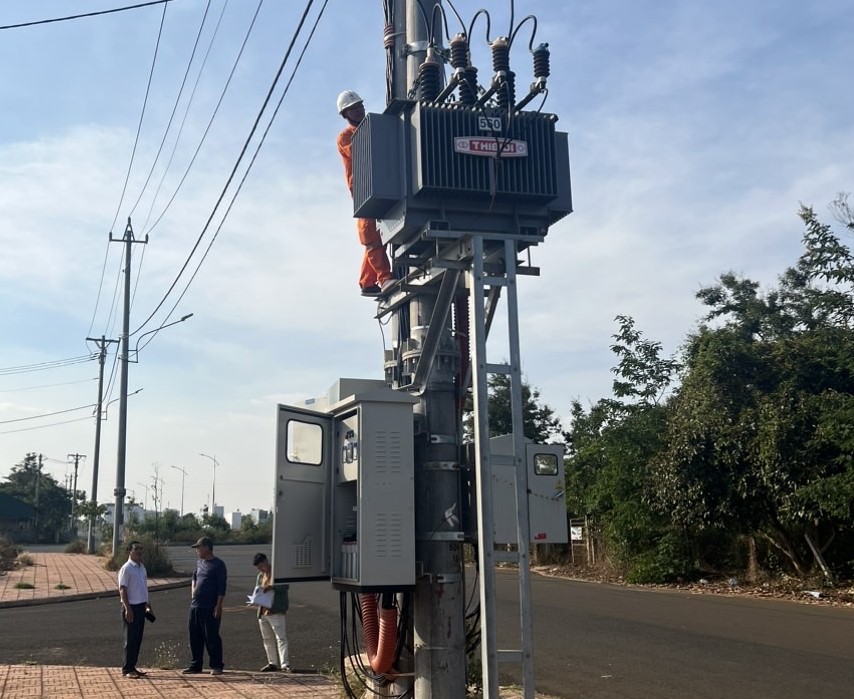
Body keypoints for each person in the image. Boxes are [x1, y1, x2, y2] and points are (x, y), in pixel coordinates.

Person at [336, 89, 394, 297]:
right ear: (346, 114)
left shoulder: (371, 128)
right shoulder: (345, 136)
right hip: (363, 190)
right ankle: (383, 278)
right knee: (369, 234)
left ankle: (367, 281)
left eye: (359, 106)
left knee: (382, 234)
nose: (359, 110)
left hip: (381, 185)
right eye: (353, 109)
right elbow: (361, 151)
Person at [182, 537, 227, 676]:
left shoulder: (218, 565)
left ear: (207, 547)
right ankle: (195, 665)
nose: (197, 550)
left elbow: (221, 587)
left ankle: (216, 665)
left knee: (211, 636)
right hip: (195, 606)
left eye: (198, 547)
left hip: (210, 606)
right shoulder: (199, 563)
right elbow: (194, 577)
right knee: (194, 636)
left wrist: (218, 606)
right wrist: (193, 591)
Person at [117, 540, 153, 679]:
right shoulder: (126, 568)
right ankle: (127, 669)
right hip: (131, 607)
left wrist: (148, 603)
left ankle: (133, 666)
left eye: (140, 548)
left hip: (141, 606)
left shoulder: (141, 567)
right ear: (129, 551)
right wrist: (128, 608)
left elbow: (144, 586)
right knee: (130, 639)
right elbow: (122, 589)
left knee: (137, 639)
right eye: (136, 548)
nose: (139, 551)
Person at [252, 552, 292, 672]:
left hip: (276, 610)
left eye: (260, 567)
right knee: (267, 639)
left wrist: (272, 587)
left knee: (281, 638)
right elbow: (257, 589)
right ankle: (272, 662)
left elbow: (285, 586)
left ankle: (285, 664)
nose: (260, 570)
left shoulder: (278, 573)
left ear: (265, 562)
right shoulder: (260, 576)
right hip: (263, 611)